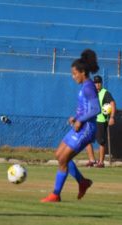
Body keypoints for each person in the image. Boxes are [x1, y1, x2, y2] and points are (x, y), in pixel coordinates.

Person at [41, 49, 100, 202]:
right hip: (80, 125)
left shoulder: (88, 87)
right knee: (59, 155)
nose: (73, 77)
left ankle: (55, 194)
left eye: (74, 74)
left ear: (83, 72)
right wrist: (76, 118)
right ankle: (82, 182)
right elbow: (87, 108)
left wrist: (81, 120)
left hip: (86, 129)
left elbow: (96, 109)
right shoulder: (85, 86)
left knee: (63, 159)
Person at [85, 75, 116, 168]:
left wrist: (112, 117)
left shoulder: (105, 93)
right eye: (95, 83)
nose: (97, 84)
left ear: (101, 83)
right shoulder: (91, 93)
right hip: (91, 120)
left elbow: (113, 104)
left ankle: (101, 162)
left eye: (99, 83)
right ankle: (92, 160)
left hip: (101, 120)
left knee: (101, 142)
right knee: (86, 140)